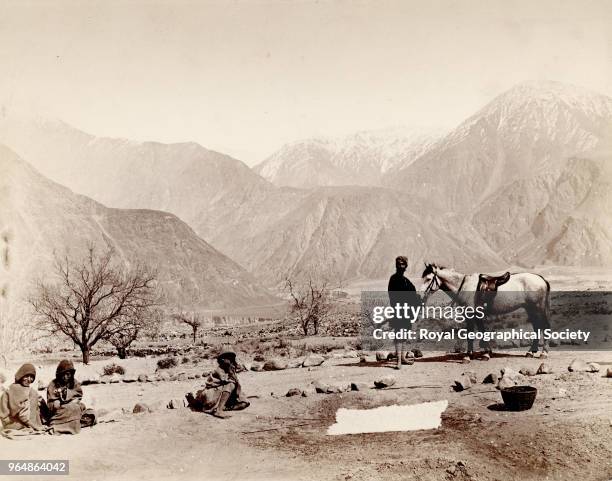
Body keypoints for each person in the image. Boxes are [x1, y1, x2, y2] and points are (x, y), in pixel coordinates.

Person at [186, 351, 249, 418]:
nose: (230, 360)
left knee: (243, 404)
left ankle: (223, 407)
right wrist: (231, 373)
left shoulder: (230, 369)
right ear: (222, 360)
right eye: (228, 358)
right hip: (212, 393)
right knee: (231, 384)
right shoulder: (219, 370)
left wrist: (233, 371)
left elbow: (236, 381)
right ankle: (218, 410)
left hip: (222, 393)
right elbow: (226, 380)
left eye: (231, 358)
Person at [46, 360, 96, 434]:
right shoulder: (53, 384)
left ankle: (68, 424)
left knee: (89, 412)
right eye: (63, 374)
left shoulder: (74, 382)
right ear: (59, 374)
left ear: (71, 374)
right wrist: (55, 404)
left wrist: (72, 399)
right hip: (60, 411)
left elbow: (78, 396)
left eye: (68, 374)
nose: (66, 377)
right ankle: (66, 424)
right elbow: (50, 404)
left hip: (73, 406)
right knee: (70, 409)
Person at [388, 256, 418, 370]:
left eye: (403, 264)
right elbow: (392, 297)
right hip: (398, 310)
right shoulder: (393, 279)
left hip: (407, 311)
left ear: (406, 266)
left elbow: (414, 295)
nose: (401, 266)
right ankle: (399, 361)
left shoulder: (407, 281)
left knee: (405, 334)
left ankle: (403, 357)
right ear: (396, 265)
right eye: (399, 264)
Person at [0, 363, 47, 434]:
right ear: (21, 375)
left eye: (31, 377)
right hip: (12, 422)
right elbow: (22, 415)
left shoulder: (26, 389)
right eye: (26, 376)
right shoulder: (15, 389)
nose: (29, 379)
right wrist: (36, 426)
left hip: (19, 421)